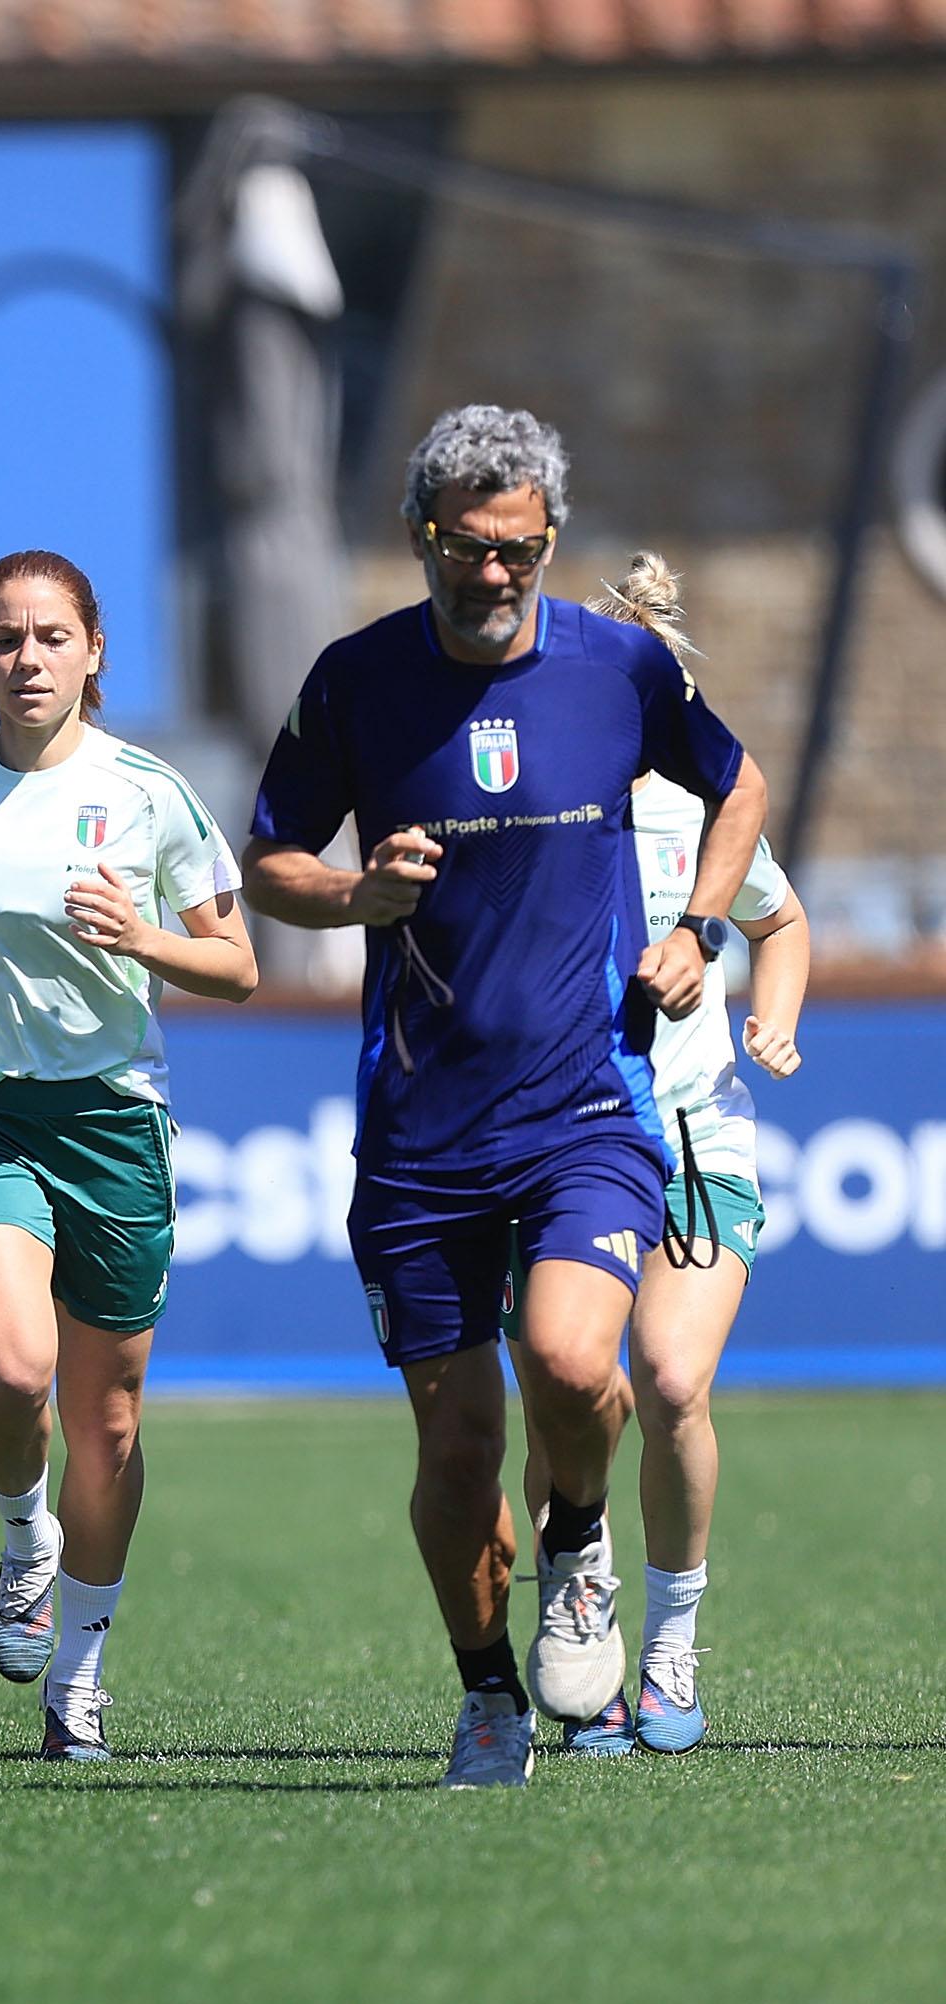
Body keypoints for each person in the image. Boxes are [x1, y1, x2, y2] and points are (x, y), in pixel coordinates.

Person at [240, 407, 770, 1788]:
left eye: (523, 551)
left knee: (580, 1361)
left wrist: (699, 931)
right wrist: (356, 893)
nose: (498, 575)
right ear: (424, 537)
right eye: (472, 550)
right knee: (461, 1443)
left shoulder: (620, 670)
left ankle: (581, 1540)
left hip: (587, 1104)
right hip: (418, 1136)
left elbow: (740, 784)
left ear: (552, 542)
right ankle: (486, 1695)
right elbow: (269, 861)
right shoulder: (355, 682)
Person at [0, 550, 257, 1761]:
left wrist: (144, 936)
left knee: (111, 1420)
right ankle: (24, 1533)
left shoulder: (149, 793)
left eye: (50, 637)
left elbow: (234, 965)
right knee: (20, 1368)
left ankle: (79, 1675)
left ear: (94, 652)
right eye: (4, 640)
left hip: (115, 1120)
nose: (27, 659)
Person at [524, 554, 807, 1757]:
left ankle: (672, 1643)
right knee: (572, 1399)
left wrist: (775, 1017)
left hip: (695, 1144)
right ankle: (576, 1623)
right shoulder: (524, 800)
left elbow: (777, 920)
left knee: (674, 1381)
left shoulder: (702, 814)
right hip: (550, 1142)